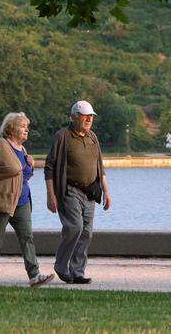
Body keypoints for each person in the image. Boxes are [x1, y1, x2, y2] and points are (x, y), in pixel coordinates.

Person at [0, 111, 54, 287]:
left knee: (28, 238)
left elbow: (23, 176)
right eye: (23, 126)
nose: (27, 130)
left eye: (27, 127)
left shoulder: (23, 150)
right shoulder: (1, 146)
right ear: (11, 128)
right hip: (0, 201)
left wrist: (31, 166)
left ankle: (34, 276)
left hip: (22, 201)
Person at [44, 100, 111, 284]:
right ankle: (61, 265)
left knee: (87, 233)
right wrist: (51, 195)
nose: (89, 119)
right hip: (70, 190)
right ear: (73, 117)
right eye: (84, 116)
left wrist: (106, 191)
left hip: (91, 192)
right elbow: (49, 168)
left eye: (91, 116)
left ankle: (77, 272)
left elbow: (100, 166)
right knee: (75, 227)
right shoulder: (62, 137)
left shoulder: (93, 137)